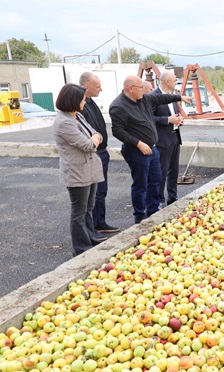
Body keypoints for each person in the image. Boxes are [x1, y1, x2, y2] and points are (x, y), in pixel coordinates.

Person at [109, 75, 192, 224]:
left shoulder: (143, 99)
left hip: (153, 149)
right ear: (130, 88)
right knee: (140, 184)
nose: (145, 90)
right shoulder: (118, 106)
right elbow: (118, 131)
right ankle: (140, 216)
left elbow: (161, 99)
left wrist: (180, 97)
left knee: (156, 181)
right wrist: (138, 143)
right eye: (141, 87)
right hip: (137, 151)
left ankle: (153, 211)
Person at [53, 84, 104, 256]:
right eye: (83, 99)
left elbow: (97, 134)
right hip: (77, 172)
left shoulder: (77, 116)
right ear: (73, 100)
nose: (84, 102)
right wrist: (94, 139)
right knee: (79, 211)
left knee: (89, 208)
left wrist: (95, 138)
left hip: (89, 169)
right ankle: (81, 249)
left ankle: (91, 239)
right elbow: (88, 144)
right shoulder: (64, 122)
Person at [79, 72, 120, 234]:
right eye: (97, 87)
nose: (101, 89)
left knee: (101, 190)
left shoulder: (91, 102)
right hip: (93, 154)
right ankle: (92, 226)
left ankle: (100, 222)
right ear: (85, 87)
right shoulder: (81, 105)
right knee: (93, 193)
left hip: (102, 152)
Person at [152, 71, 184, 208]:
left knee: (174, 170)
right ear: (167, 82)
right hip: (162, 140)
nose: (176, 82)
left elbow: (173, 115)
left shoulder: (172, 97)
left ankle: (173, 196)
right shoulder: (153, 97)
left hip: (175, 137)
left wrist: (178, 119)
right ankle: (159, 200)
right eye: (174, 80)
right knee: (162, 171)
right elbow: (149, 118)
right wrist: (167, 120)